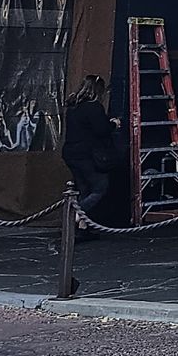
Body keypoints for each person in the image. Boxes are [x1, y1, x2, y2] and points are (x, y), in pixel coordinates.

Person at [60, 75, 117, 237]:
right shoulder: (93, 107)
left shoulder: (73, 107)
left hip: (71, 153)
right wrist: (113, 124)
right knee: (100, 187)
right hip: (86, 154)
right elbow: (102, 130)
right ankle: (75, 215)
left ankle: (82, 228)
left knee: (84, 189)